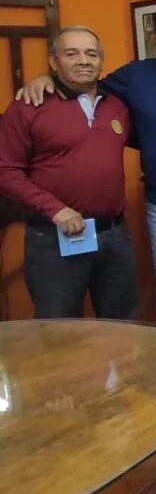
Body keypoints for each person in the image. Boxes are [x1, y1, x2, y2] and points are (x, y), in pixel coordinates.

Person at [0, 26, 136, 319]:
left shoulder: (117, 106)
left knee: (124, 328)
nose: (83, 61)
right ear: (53, 61)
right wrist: (56, 210)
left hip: (113, 236)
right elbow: (5, 170)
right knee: (59, 332)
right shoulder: (28, 106)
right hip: (53, 237)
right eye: (71, 54)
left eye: (91, 54)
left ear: (101, 61)